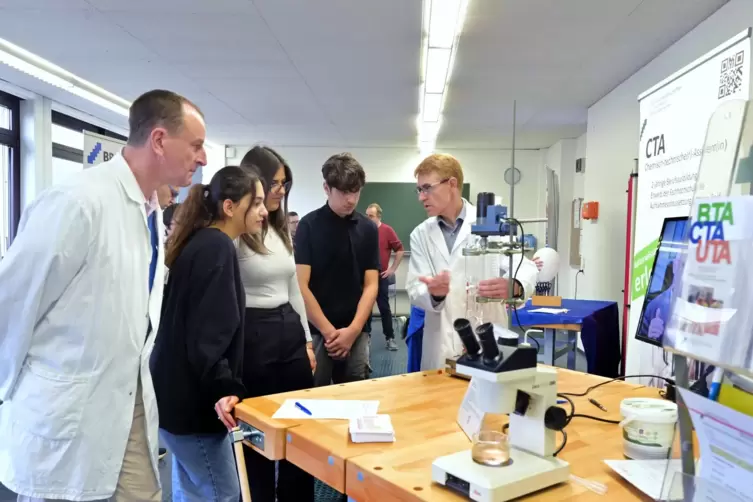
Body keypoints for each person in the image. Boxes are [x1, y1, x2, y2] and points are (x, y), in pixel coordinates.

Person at [0, 89, 206, 501]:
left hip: (126, 402)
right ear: (161, 140)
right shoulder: (78, 202)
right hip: (68, 411)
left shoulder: (149, 211)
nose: (202, 159)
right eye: (197, 146)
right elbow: (12, 304)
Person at [151, 166, 267, 501]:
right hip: (193, 406)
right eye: (255, 202)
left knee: (191, 490)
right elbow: (208, 333)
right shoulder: (216, 247)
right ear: (230, 207)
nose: (263, 211)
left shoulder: (202, 241)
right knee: (222, 494)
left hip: (174, 399)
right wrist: (225, 387)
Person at [406, 154, 539, 370]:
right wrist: (434, 293)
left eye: (427, 188)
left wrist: (514, 285)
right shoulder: (420, 234)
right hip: (441, 345)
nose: (421, 197)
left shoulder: (492, 225)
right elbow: (414, 288)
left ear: (452, 184)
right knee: (439, 401)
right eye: (419, 190)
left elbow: (526, 266)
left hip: (488, 339)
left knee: (488, 401)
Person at [237, 146, 316, 502]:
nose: (280, 190)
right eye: (274, 182)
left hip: (288, 331)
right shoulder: (236, 230)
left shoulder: (279, 228)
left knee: (299, 431)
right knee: (258, 435)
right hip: (253, 335)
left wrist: (308, 341)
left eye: (284, 183)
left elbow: (293, 289)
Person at [295, 153, 379, 386]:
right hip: (319, 331)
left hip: (357, 329)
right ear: (326, 188)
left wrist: (352, 330)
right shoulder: (308, 226)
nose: (351, 199)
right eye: (343, 192)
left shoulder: (368, 229)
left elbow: (371, 284)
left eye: (356, 191)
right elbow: (301, 285)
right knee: (315, 392)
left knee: (356, 390)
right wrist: (330, 333)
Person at [365, 203, 405, 351]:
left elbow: (400, 250)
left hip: (381, 276)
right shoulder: (362, 230)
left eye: (371, 216)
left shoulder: (387, 230)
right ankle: (365, 338)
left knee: (384, 308)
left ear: (379, 216)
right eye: (366, 215)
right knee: (365, 307)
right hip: (365, 277)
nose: (368, 219)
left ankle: (390, 337)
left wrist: (392, 269)